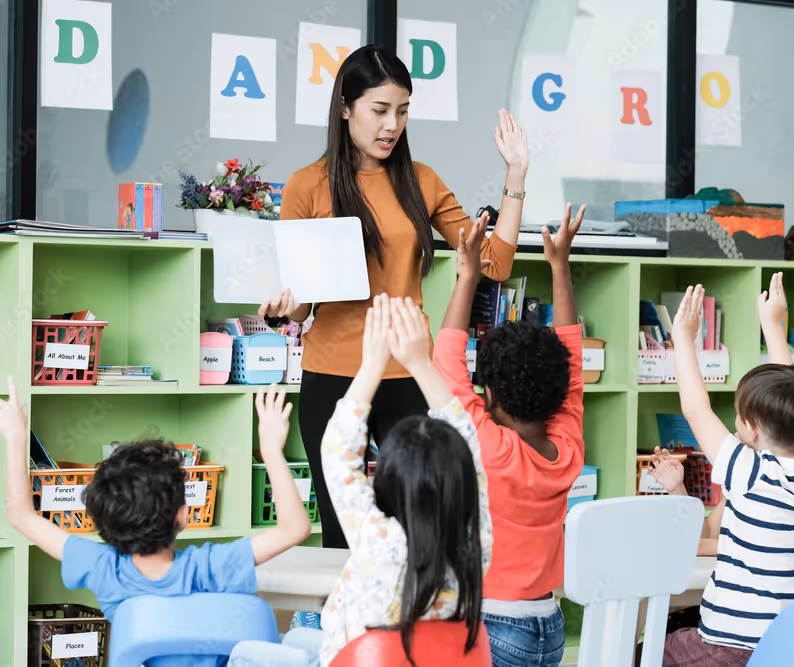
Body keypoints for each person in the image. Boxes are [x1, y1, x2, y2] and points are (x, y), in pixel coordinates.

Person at [258, 44, 528, 550]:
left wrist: (515, 176)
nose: (392, 125)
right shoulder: (305, 187)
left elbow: (496, 263)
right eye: (379, 110)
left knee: (425, 521)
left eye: (402, 111)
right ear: (345, 107)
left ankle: (415, 627)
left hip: (408, 371)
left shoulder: (420, 181)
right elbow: (300, 305)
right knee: (342, 529)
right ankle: (354, 632)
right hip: (334, 373)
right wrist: (280, 310)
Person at [231, 294, 492, 667]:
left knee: (246, 653)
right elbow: (469, 443)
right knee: (302, 638)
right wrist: (419, 363)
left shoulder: (377, 541)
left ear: (386, 480)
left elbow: (336, 449)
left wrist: (371, 363)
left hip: (359, 658)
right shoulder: (476, 542)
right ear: (465, 481)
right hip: (435, 657)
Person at [0, 379, 311, 634]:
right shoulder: (209, 567)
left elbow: (20, 514)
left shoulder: (102, 569)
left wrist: (16, 440)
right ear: (183, 515)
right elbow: (295, 529)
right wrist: (270, 450)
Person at [431, 203, 587, 667]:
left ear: (492, 391)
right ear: (557, 392)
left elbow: (446, 366)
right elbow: (574, 363)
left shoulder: (491, 450)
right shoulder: (567, 449)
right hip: (549, 626)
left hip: (493, 627)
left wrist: (467, 275)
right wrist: (560, 265)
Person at [654, 273, 794, 666]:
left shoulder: (751, 473)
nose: (732, 426)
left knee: (649, 651)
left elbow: (696, 409)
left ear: (752, 429)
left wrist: (683, 339)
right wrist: (773, 324)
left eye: (736, 418)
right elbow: (790, 393)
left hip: (734, 647)